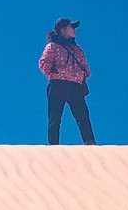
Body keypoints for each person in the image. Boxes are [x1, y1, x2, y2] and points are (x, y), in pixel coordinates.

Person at [39, 16, 96, 145]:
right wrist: (56, 73)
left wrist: (81, 75)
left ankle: (90, 144)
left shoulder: (77, 49)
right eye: (71, 27)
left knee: (83, 117)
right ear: (63, 30)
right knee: (55, 118)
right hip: (58, 85)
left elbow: (86, 67)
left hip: (75, 86)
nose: (74, 30)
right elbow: (43, 63)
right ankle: (53, 146)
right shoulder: (52, 46)